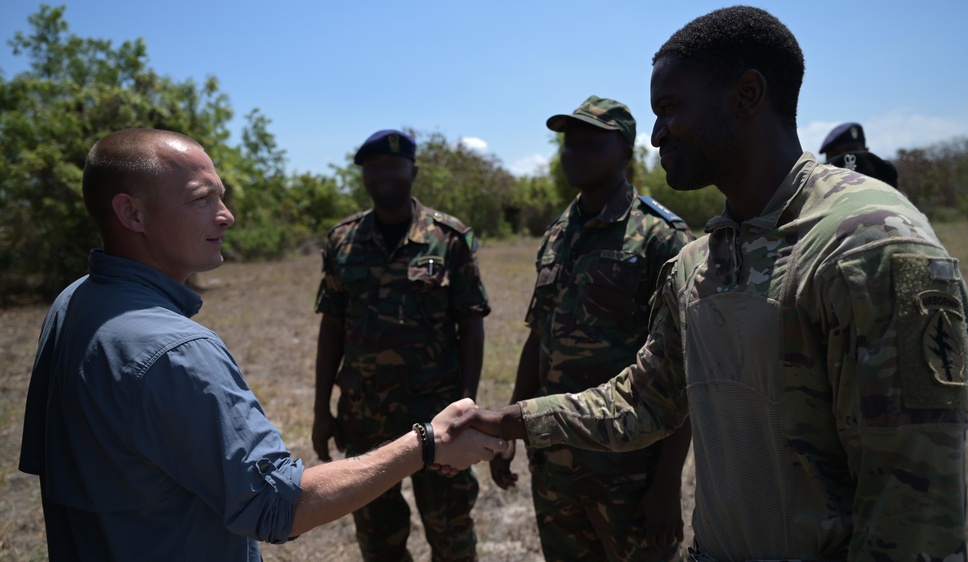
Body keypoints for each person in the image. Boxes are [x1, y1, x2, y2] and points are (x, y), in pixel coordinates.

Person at [448, 6, 968, 561]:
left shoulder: (869, 246)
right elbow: (643, 401)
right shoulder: (700, 261)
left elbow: (913, 515)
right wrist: (506, 420)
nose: (655, 135)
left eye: (670, 109)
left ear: (747, 95)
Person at [17, 128, 504, 562]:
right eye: (201, 199)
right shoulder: (175, 350)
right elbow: (277, 505)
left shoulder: (73, 303)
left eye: (221, 197)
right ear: (132, 212)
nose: (226, 216)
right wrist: (424, 443)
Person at [490, 95, 694, 561]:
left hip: (628, 466)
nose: (573, 154)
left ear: (625, 152)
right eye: (568, 144)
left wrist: (667, 485)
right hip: (555, 458)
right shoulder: (559, 232)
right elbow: (538, 337)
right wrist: (508, 430)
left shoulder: (663, 236)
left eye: (589, 144)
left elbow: (686, 371)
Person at [313, 129, 491, 561]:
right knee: (378, 538)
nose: (384, 175)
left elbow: (471, 323)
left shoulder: (450, 237)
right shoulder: (343, 240)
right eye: (374, 168)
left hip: (436, 413)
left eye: (393, 166)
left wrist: (467, 405)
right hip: (364, 416)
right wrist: (321, 409)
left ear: (413, 170)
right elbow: (332, 325)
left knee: (451, 533)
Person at [819, 122, 899, 187]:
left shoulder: (884, 172)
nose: (844, 158)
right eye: (835, 154)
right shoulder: (818, 182)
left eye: (852, 151)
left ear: (866, 151)